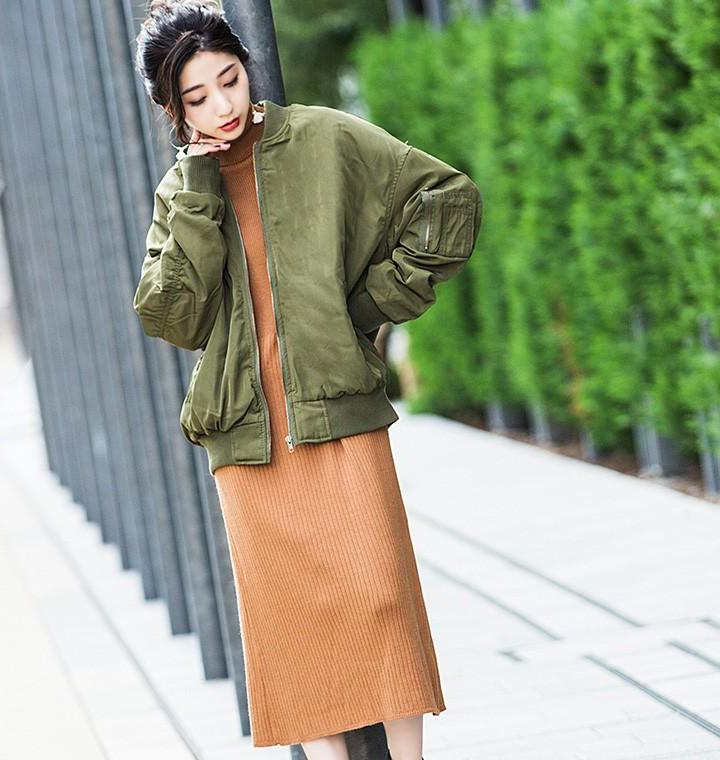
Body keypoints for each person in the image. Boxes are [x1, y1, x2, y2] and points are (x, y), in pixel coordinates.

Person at [133, 2, 482, 758]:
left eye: (230, 79)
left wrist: (370, 304)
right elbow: (172, 317)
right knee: (293, 627)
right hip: (248, 439)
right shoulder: (181, 193)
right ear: (174, 110)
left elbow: (447, 199)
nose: (222, 105)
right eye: (198, 97)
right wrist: (197, 190)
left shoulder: (322, 137)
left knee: (382, 600)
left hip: (338, 408)